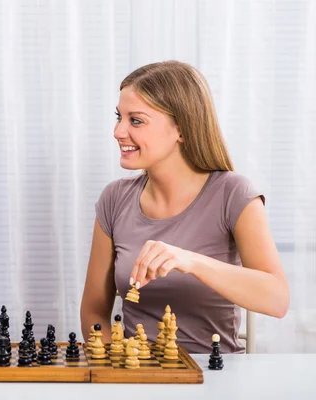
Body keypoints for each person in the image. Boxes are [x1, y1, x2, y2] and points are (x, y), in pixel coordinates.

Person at [80, 60, 289, 354]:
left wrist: (190, 261)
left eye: (135, 120)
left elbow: (277, 300)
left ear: (181, 129)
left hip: (215, 379)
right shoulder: (114, 199)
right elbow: (93, 314)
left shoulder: (233, 194)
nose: (118, 131)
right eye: (119, 117)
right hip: (137, 380)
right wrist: (116, 368)